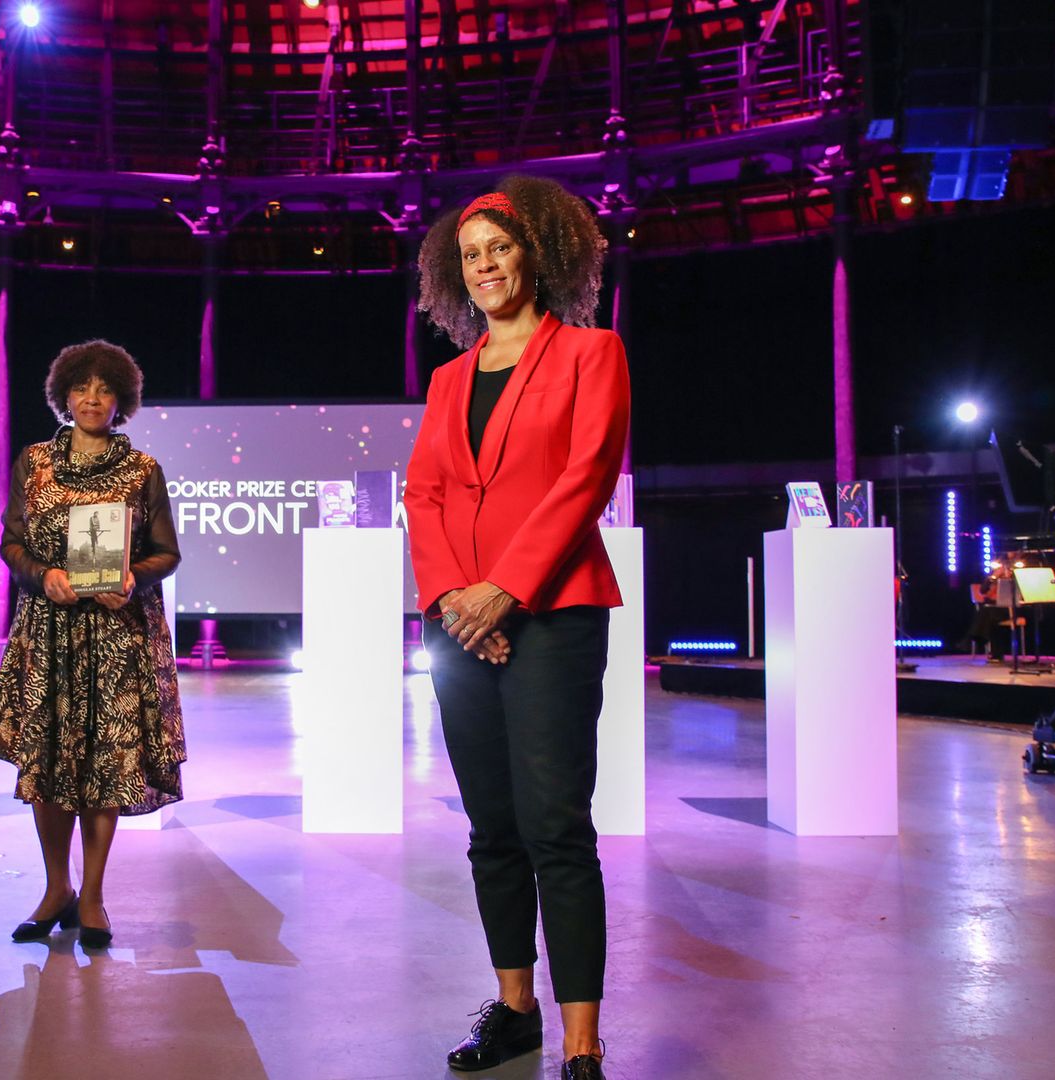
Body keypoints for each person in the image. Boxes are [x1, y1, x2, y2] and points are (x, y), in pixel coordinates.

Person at [404, 176, 629, 1080]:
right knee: (491, 827)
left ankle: (582, 1043)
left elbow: (586, 479)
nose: (485, 265)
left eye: (499, 247)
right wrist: (458, 597)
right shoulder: (449, 376)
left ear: (539, 253)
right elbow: (424, 492)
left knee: (555, 826)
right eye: (470, 254)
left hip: (556, 613)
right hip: (458, 625)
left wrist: (506, 592)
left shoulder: (590, 352)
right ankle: (514, 1009)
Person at [0, 339, 185, 950]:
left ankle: (91, 894)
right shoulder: (34, 462)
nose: (92, 398)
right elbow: (11, 543)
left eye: (104, 389)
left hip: (118, 636)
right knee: (47, 767)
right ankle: (54, 888)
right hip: (50, 634)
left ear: (121, 400)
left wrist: (134, 577)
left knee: (106, 767)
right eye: (81, 388)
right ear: (64, 395)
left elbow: (166, 553)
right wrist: (44, 576)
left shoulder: (142, 470)